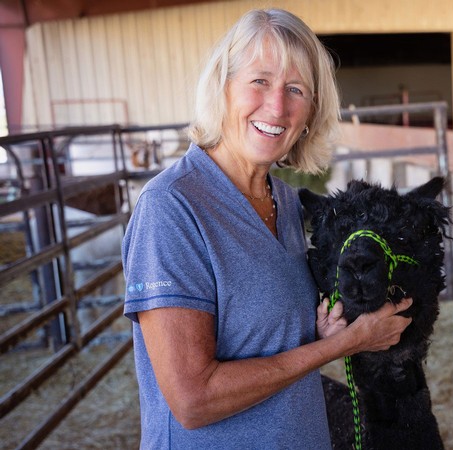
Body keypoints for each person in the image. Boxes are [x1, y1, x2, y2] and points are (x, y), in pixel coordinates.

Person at [122, 8, 413, 449]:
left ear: (311, 112)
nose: (277, 107)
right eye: (259, 81)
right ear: (224, 87)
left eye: (295, 89)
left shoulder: (289, 203)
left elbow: (265, 336)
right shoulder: (172, 208)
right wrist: (345, 345)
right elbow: (193, 399)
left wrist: (320, 333)